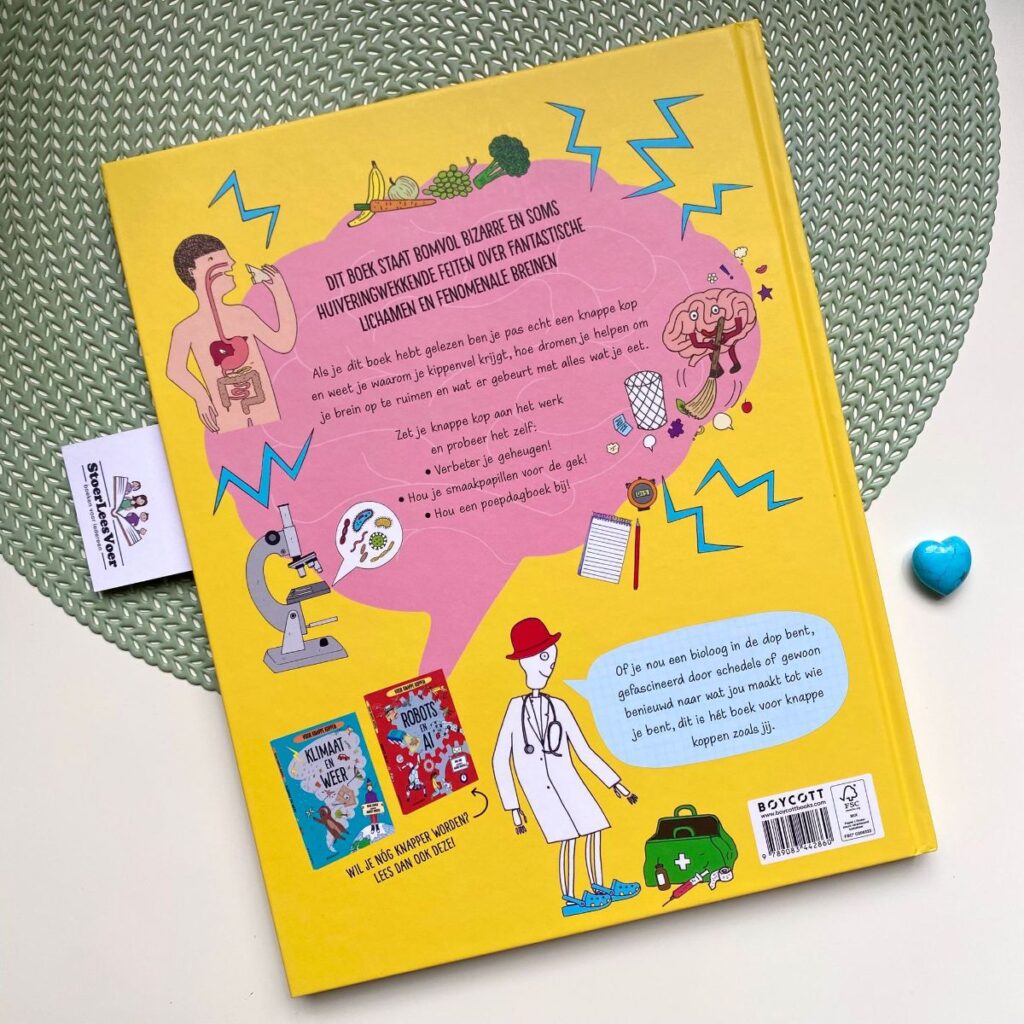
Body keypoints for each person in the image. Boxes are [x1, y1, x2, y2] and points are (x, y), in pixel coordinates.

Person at [492, 617, 641, 917]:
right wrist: (513, 807)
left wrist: (616, 784)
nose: (549, 665)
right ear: (523, 661)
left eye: (552, 657)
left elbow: (583, 750)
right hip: (539, 789)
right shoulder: (514, 709)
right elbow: (499, 759)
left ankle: (599, 886)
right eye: (543, 657)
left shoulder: (558, 706)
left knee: (594, 826)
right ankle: (570, 896)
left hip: (568, 780)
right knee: (568, 838)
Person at [168, 233, 297, 433]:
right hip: (226, 418)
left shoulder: (242, 314)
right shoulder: (186, 329)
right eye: (212, 259)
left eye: (227, 258)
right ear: (192, 272)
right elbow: (175, 370)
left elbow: (283, 342)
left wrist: (279, 291)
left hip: (266, 413)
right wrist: (201, 397)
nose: (230, 263)